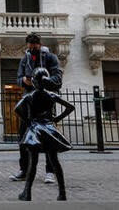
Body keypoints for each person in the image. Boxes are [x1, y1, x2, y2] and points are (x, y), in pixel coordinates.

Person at [9, 32, 63, 184]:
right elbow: (19, 78)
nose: (32, 48)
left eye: (35, 46)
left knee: (49, 139)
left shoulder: (50, 58)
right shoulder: (25, 59)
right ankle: (24, 170)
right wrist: (24, 81)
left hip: (45, 102)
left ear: (40, 44)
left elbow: (58, 78)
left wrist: (41, 81)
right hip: (29, 102)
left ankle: (50, 171)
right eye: (30, 46)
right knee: (23, 136)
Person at [14, 67, 74, 201]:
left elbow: (17, 109)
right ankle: (62, 193)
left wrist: (28, 121)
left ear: (34, 82)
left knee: (32, 163)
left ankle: (27, 192)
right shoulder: (51, 95)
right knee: (55, 162)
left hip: (35, 130)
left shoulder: (29, 96)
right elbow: (71, 107)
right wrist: (57, 118)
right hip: (48, 129)